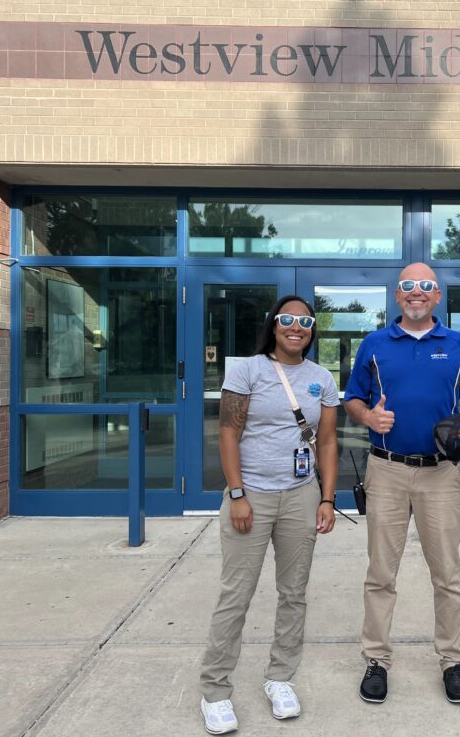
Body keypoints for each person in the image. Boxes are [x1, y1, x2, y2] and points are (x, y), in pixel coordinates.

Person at [343, 262, 460, 706]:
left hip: (441, 473)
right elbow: (351, 398)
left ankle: (452, 660)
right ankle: (377, 659)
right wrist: (368, 416)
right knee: (381, 572)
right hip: (386, 469)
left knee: (447, 573)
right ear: (397, 296)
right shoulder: (374, 344)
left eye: (425, 286)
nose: (417, 293)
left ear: (437, 296)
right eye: (408, 287)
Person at [199, 295, 339, 735]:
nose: (296, 327)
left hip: (301, 495)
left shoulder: (322, 378)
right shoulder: (248, 370)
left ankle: (280, 678)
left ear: (312, 329)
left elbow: (329, 442)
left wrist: (327, 498)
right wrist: (237, 493)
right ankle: (215, 690)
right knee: (236, 596)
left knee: (293, 593)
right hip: (253, 495)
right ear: (273, 325)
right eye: (287, 320)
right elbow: (228, 431)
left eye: (305, 321)